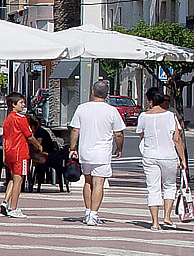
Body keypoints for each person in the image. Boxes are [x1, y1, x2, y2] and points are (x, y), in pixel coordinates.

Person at [68, 79, 126, 226]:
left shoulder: (82, 108)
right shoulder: (112, 111)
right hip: (102, 153)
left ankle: (88, 212)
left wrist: (73, 148)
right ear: (106, 95)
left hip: (85, 151)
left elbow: (75, 130)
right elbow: (119, 133)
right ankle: (94, 215)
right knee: (99, 182)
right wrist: (119, 148)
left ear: (92, 92)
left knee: (87, 181)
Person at [137, 85, 187, 230]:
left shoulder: (143, 116)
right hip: (168, 156)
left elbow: (141, 134)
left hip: (150, 155)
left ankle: (154, 222)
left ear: (150, 100)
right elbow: (177, 139)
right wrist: (183, 159)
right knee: (169, 186)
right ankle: (167, 217)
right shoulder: (170, 116)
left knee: (153, 188)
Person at [0, 92, 41, 219]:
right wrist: (38, 146)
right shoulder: (21, 118)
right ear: (14, 104)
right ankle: (13, 208)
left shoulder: (7, 120)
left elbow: (4, 138)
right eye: (21, 103)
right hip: (20, 152)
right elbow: (29, 135)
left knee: (13, 178)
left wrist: (4, 154)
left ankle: (6, 201)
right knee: (19, 180)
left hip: (9, 151)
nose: (23, 105)